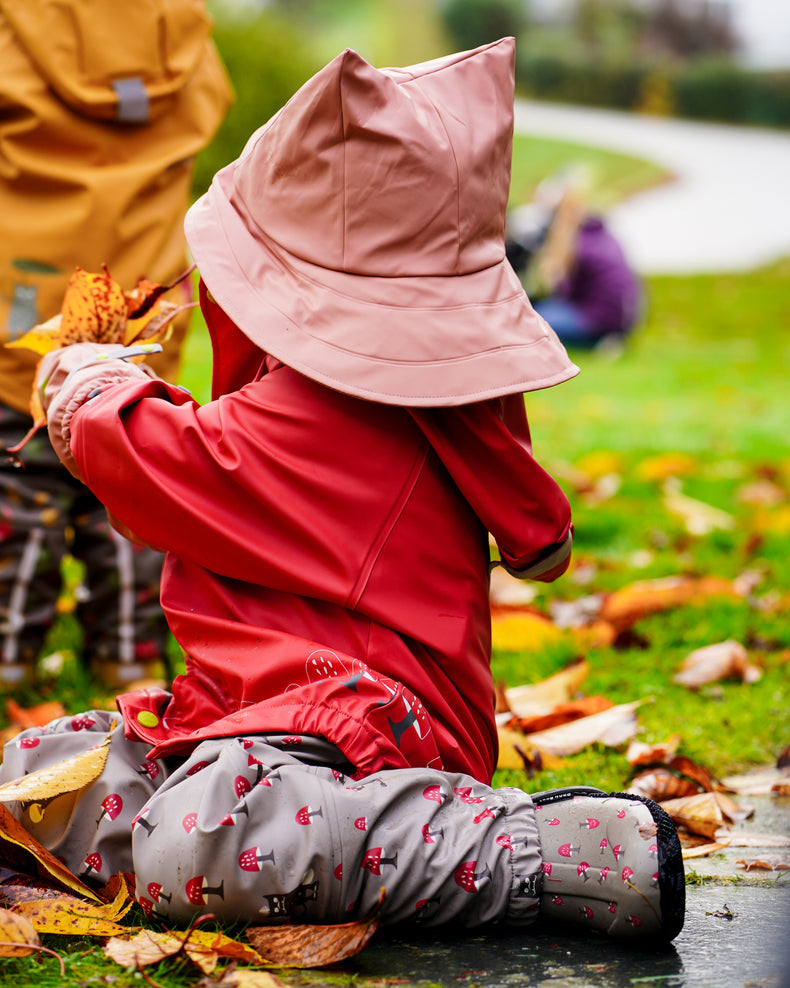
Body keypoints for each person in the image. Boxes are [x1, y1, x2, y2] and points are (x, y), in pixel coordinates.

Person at [0, 39, 685, 941]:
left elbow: (156, 460)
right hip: (255, 713)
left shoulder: (328, 412)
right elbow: (534, 523)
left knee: (203, 837)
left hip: (364, 728)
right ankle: (206, 851)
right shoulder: (440, 397)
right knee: (49, 769)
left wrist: (85, 383)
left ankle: (540, 849)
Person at [0, 0, 233, 687]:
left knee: (20, 476)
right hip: (140, 291)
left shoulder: (18, 22)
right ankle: (129, 653)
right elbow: (211, 104)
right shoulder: (177, 27)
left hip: (25, 287)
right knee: (128, 472)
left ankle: (10, 649)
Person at [507, 178, 642, 349]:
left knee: (531, 318)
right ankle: (606, 339)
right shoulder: (602, 236)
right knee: (543, 310)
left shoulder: (578, 246)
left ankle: (598, 340)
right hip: (624, 319)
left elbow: (561, 289)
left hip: (599, 319)